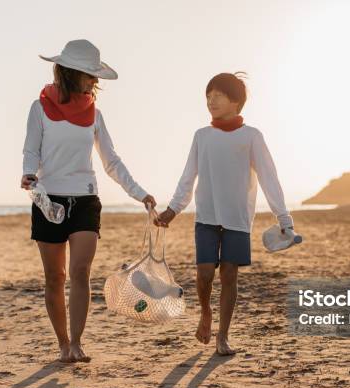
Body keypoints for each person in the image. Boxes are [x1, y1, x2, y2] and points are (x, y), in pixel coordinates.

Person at [20, 39, 156, 363]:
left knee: (80, 271)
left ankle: (77, 342)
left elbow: (111, 161)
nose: (95, 81)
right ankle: (63, 343)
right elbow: (31, 150)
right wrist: (28, 173)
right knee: (55, 277)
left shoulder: (94, 114)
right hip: (47, 199)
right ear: (71, 73)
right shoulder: (39, 108)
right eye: (90, 75)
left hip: (84, 198)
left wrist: (139, 192)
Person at [156, 72, 294, 355]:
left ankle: (223, 335)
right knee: (205, 274)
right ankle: (206, 312)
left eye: (218, 96)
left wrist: (284, 219)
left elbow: (269, 178)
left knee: (230, 275)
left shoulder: (252, 136)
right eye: (208, 96)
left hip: (238, 219)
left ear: (236, 102)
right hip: (206, 216)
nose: (211, 101)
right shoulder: (201, 136)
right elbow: (188, 177)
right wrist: (172, 210)